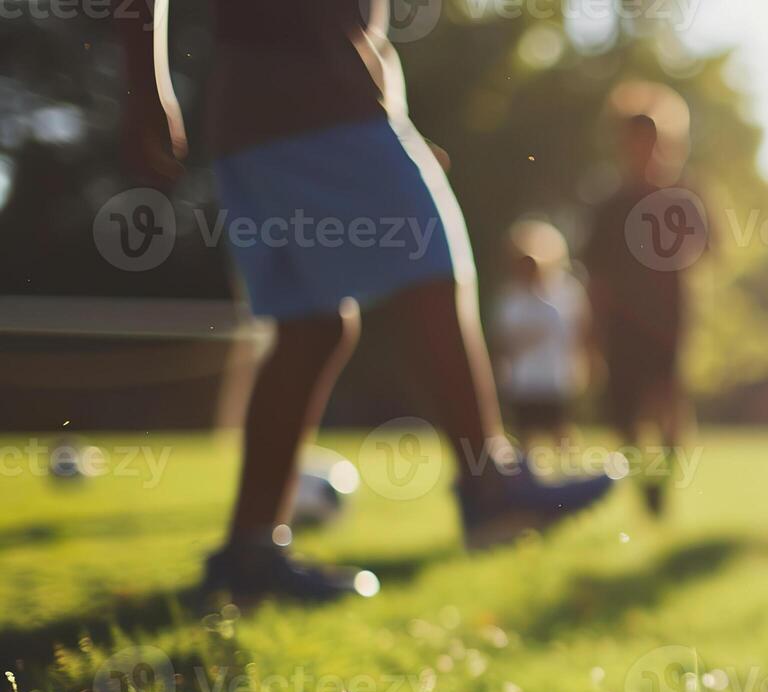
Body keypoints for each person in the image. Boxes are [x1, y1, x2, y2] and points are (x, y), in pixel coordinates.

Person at [118, 0, 614, 603]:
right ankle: (490, 486)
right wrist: (146, 84)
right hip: (322, 102)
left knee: (310, 328)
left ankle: (249, 553)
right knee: (432, 271)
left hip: (252, 118)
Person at [582, 112, 708, 519]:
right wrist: (591, 331)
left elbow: (707, 249)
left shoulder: (680, 196)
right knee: (625, 413)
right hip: (621, 323)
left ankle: (665, 482)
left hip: (668, 321)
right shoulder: (608, 205)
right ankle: (645, 487)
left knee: (666, 404)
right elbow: (595, 275)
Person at [493, 220, 588, 450]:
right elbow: (502, 338)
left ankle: (570, 474)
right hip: (523, 381)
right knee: (525, 434)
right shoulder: (510, 300)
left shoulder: (561, 297)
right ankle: (528, 476)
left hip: (553, 380)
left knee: (559, 429)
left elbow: (576, 334)